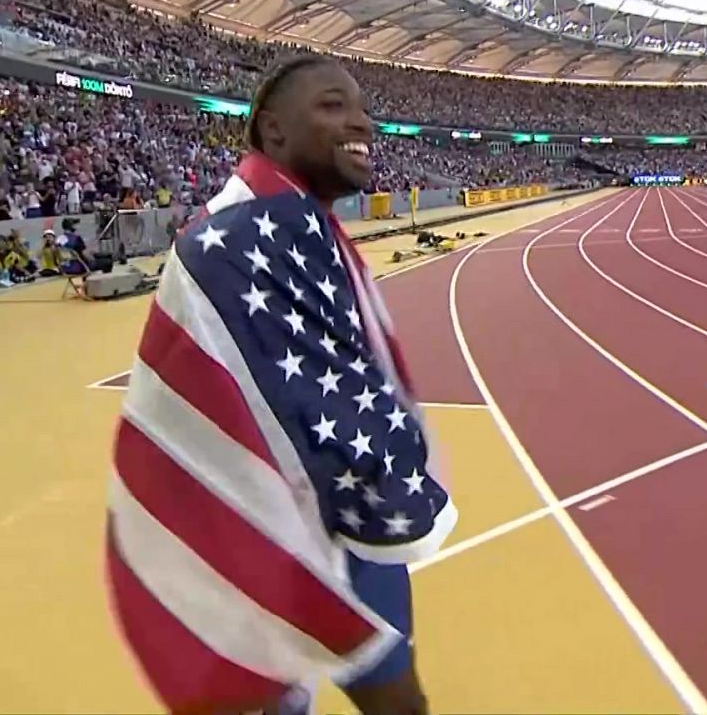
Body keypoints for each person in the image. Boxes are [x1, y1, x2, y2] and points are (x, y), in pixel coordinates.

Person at [106, 58, 456, 715]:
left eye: (360, 106)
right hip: (270, 530)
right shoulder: (242, 238)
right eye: (332, 106)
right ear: (273, 132)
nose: (362, 122)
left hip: (330, 518)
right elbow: (301, 408)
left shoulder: (297, 228)